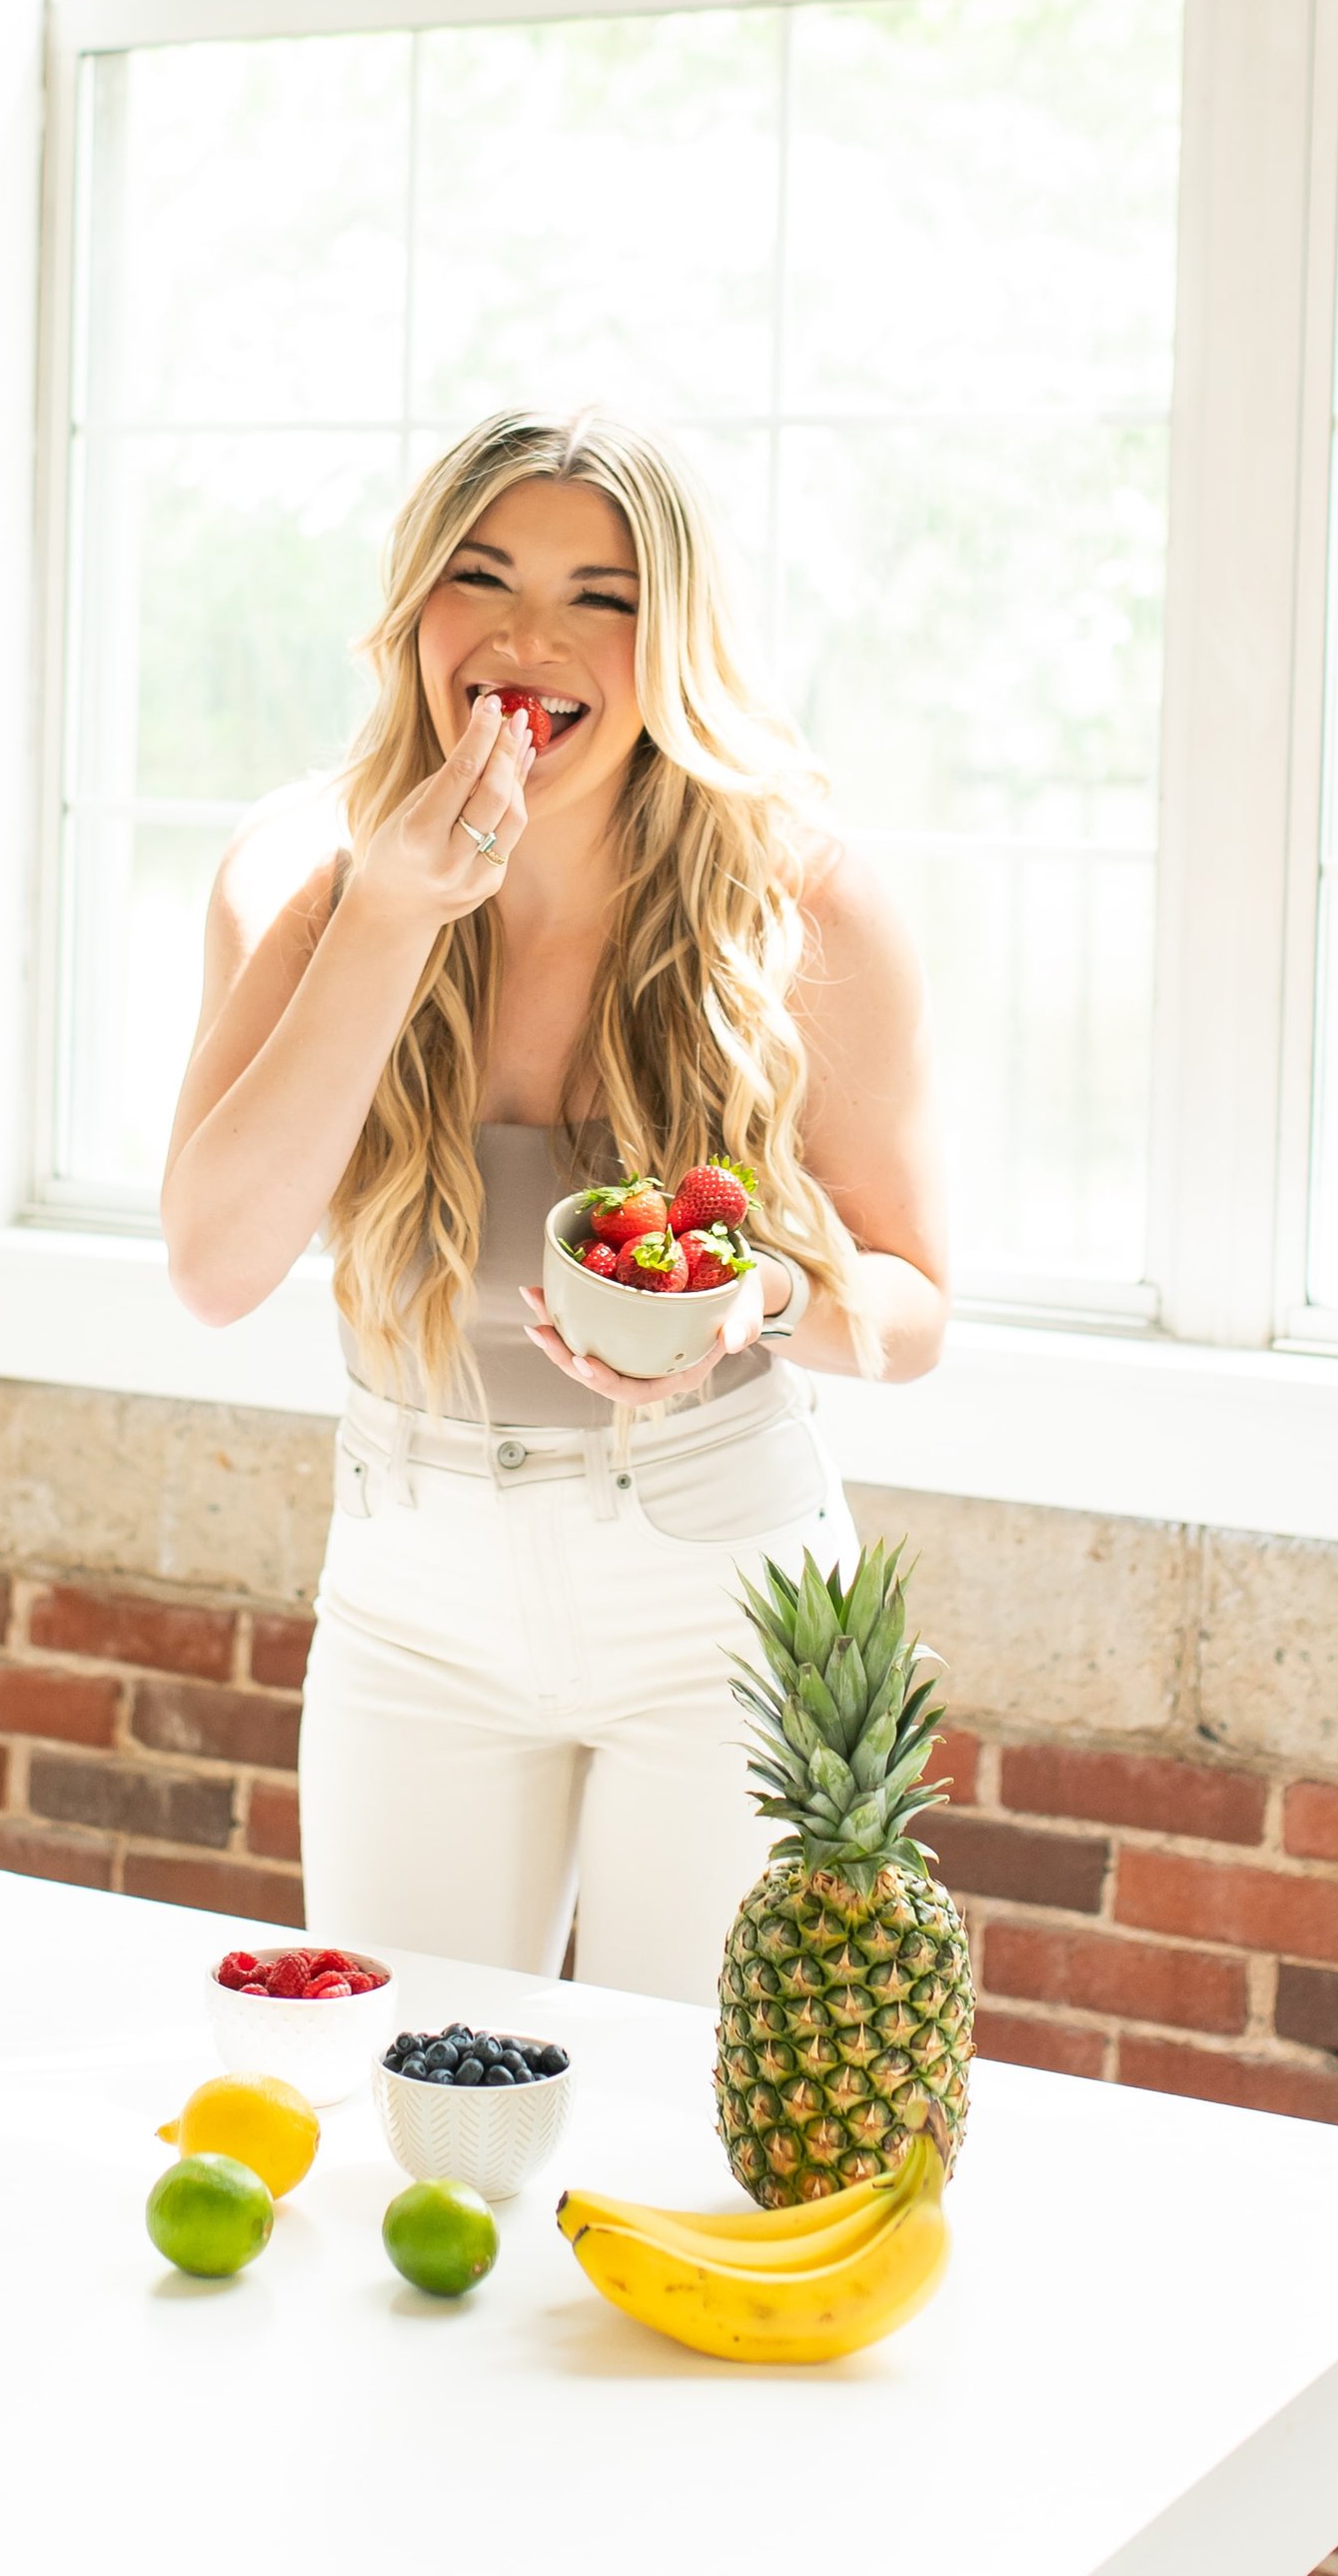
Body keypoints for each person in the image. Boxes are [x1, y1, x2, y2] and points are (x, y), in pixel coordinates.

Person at [162, 407, 947, 2004]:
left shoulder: (796, 900)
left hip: (720, 1586)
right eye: (485, 575)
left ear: (675, 643)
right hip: (414, 1597)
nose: (534, 636)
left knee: (693, 2130)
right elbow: (215, 1263)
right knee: (420, 2091)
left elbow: (916, 1304)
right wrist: (390, 917)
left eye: (606, 593)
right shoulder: (302, 871)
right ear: (414, 614)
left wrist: (768, 1301)